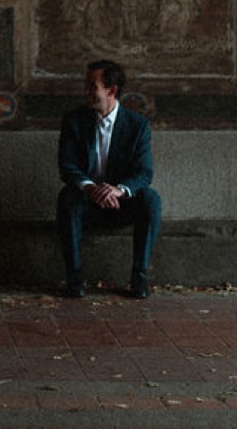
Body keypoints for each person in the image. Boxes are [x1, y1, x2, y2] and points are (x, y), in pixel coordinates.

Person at [55, 59, 162, 299]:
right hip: (86, 201)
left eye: (92, 86)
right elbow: (67, 166)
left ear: (112, 90)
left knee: (151, 200)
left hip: (121, 203)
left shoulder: (137, 125)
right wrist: (90, 188)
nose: (86, 91)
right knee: (67, 198)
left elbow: (144, 172)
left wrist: (118, 190)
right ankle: (74, 278)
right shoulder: (74, 120)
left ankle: (139, 277)